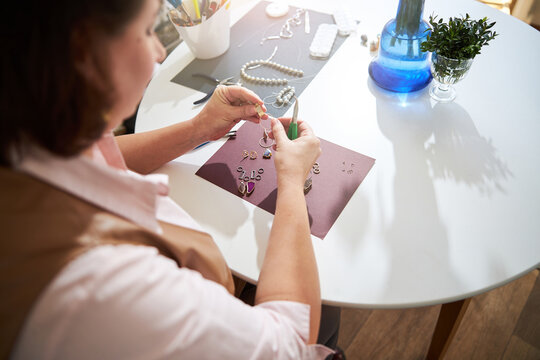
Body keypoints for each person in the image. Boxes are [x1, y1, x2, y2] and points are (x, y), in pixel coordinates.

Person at [0, 0, 342, 359]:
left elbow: (101, 153)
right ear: (85, 52)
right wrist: (289, 182)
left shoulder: (30, 131)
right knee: (327, 307)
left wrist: (197, 129)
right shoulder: (107, 287)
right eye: (147, 30)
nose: (159, 52)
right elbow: (290, 344)